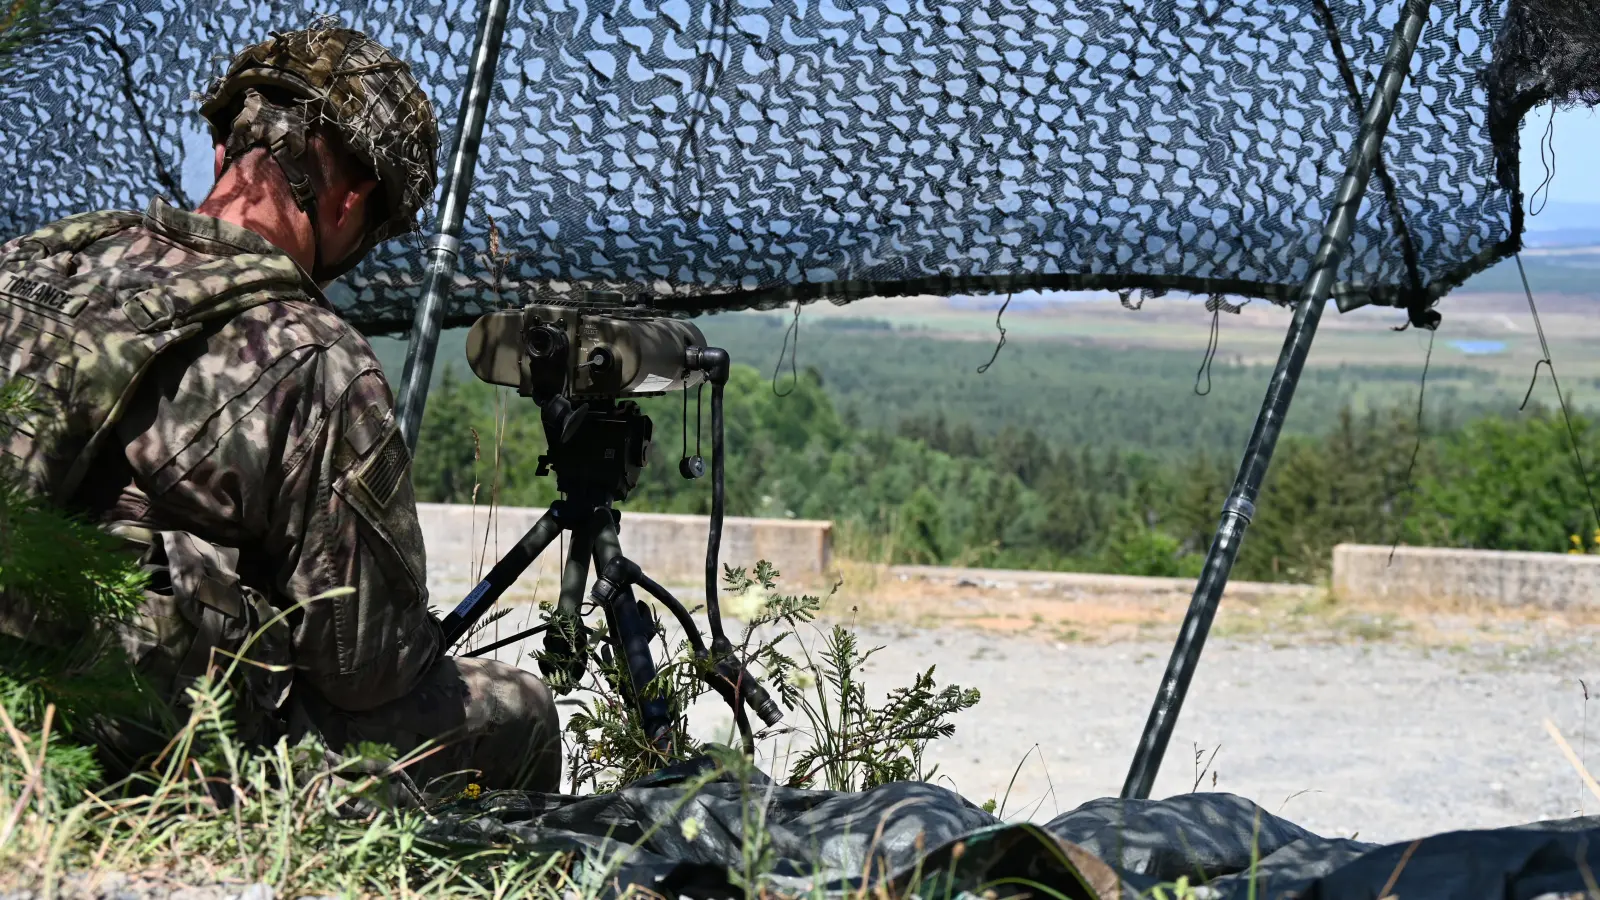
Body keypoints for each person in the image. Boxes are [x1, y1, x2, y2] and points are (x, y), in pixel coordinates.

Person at [0, 23, 560, 795]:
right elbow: (369, 668)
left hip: (23, 691)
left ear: (226, 150)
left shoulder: (33, 258)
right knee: (519, 709)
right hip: (124, 743)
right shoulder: (313, 352)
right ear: (353, 201)